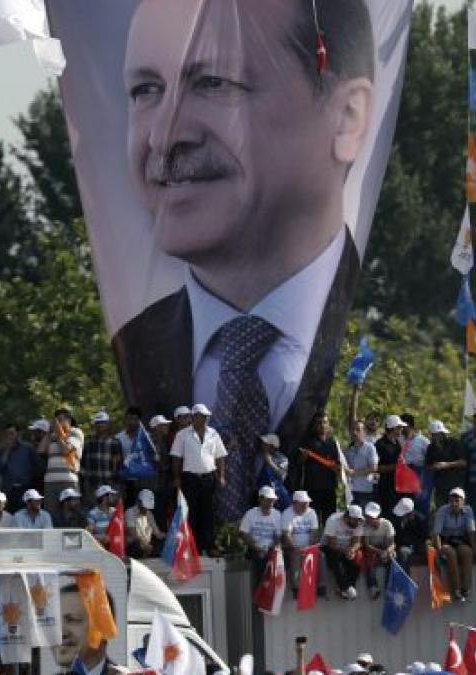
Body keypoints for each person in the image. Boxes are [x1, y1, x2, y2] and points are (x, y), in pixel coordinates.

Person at [113, 0, 378, 490]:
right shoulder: (132, 348)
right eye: (147, 90)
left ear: (346, 116)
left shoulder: (383, 326)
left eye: (213, 83)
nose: (164, 136)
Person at [170, 404, 227, 553]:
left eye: (206, 416)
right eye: (202, 416)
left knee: (209, 512)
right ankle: (192, 546)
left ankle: (209, 545)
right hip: (190, 478)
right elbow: (176, 458)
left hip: (209, 477)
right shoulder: (182, 434)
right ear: (194, 417)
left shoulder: (213, 433)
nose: (206, 419)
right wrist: (176, 477)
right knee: (192, 512)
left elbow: (220, 456)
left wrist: (221, 476)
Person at [294, 412, 342, 525]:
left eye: (324, 422)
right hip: (312, 488)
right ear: (314, 425)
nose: (322, 425)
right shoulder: (307, 441)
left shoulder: (333, 443)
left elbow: (337, 465)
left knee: (330, 522)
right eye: (319, 422)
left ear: (328, 424)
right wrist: (303, 457)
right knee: (313, 522)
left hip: (330, 489)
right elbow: (298, 463)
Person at [431, 487, 476, 602]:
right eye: (452, 500)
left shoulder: (468, 511)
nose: (454, 503)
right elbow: (436, 534)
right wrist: (439, 551)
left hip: (460, 540)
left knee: (467, 552)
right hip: (445, 540)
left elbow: (471, 532)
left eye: (457, 500)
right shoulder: (442, 511)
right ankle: (456, 590)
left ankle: (466, 588)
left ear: (463, 501)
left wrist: (474, 548)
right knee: (450, 554)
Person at [40, 409, 84, 523]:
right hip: (50, 481)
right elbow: (41, 450)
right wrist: (49, 433)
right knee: (51, 514)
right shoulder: (52, 435)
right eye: (56, 421)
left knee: (71, 513)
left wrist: (59, 434)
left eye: (60, 420)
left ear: (69, 420)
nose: (57, 423)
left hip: (68, 480)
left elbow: (66, 450)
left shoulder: (75, 432)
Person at [0, 423, 43, 510]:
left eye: (12, 433)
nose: (9, 436)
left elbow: (37, 467)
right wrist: (7, 451)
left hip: (25, 489)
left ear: (18, 434)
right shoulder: (2, 451)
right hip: (8, 490)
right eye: (7, 434)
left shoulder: (28, 448)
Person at [279, 490, 320, 594]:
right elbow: (286, 535)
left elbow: (314, 532)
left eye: (307, 503)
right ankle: (296, 588)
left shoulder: (311, 512)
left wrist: (309, 547)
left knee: (321, 556)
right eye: (303, 504)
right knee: (295, 556)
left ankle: (320, 586)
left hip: (308, 546)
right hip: (292, 546)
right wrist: (294, 547)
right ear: (295, 503)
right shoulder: (287, 513)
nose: (305, 506)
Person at [321, 504, 364, 600]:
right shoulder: (333, 520)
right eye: (355, 519)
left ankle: (349, 587)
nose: (357, 522)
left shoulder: (359, 523)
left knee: (358, 557)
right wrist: (346, 551)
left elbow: (357, 541)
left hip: (347, 547)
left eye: (358, 519)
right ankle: (345, 587)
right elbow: (331, 543)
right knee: (336, 558)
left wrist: (352, 550)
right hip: (330, 546)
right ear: (347, 517)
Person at [239, 486, 283, 576]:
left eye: (272, 500)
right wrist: (255, 546)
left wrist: (273, 547)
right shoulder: (251, 513)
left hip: (271, 550)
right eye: (268, 500)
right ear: (260, 499)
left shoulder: (277, 514)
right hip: (254, 549)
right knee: (258, 559)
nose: (270, 503)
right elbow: (243, 533)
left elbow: (278, 536)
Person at [81, 412, 122, 505]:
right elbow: (83, 463)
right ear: (94, 425)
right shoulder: (88, 442)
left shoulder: (115, 442)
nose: (100, 425)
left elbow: (118, 465)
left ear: (108, 424)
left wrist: (116, 483)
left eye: (103, 423)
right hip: (92, 484)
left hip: (111, 484)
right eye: (98, 423)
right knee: (93, 510)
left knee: (111, 510)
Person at [424, 421, 465, 506]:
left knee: (455, 508)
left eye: (437, 434)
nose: (435, 437)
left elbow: (463, 462)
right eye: (433, 435)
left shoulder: (454, 443)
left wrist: (446, 465)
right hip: (440, 486)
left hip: (455, 484)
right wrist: (434, 467)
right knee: (441, 509)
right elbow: (427, 465)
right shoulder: (431, 447)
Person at [360, 502, 395, 599]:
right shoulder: (365, 525)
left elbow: (392, 544)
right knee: (369, 558)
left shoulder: (387, 524)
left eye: (370, 517)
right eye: (367, 516)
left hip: (385, 547)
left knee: (393, 558)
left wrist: (387, 551)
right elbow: (367, 545)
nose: (368, 519)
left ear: (377, 517)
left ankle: (389, 586)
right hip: (372, 549)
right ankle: (373, 586)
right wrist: (379, 552)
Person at [374, 415, 405, 518]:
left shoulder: (397, 443)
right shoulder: (380, 444)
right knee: (386, 513)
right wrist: (395, 467)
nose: (401, 429)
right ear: (392, 428)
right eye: (399, 427)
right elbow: (376, 467)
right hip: (385, 487)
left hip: (397, 486)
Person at [344, 421, 378, 507]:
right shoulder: (348, 450)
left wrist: (354, 472)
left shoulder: (370, 448)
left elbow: (373, 468)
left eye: (358, 430)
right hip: (351, 492)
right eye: (353, 430)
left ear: (364, 432)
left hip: (365, 492)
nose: (354, 432)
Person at [392, 498, 427, 581]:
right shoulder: (398, 520)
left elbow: (424, 536)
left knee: (429, 550)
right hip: (404, 545)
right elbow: (397, 537)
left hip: (418, 544)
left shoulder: (421, 519)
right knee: (403, 552)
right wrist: (402, 526)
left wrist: (414, 544)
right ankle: (406, 580)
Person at [125, 489, 164, 558]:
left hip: (146, 544)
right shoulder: (130, 512)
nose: (146, 509)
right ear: (138, 502)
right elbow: (133, 534)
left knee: (162, 544)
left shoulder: (149, 514)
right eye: (144, 507)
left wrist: (170, 535)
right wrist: (145, 544)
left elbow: (158, 533)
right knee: (136, 544)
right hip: (134, 545)